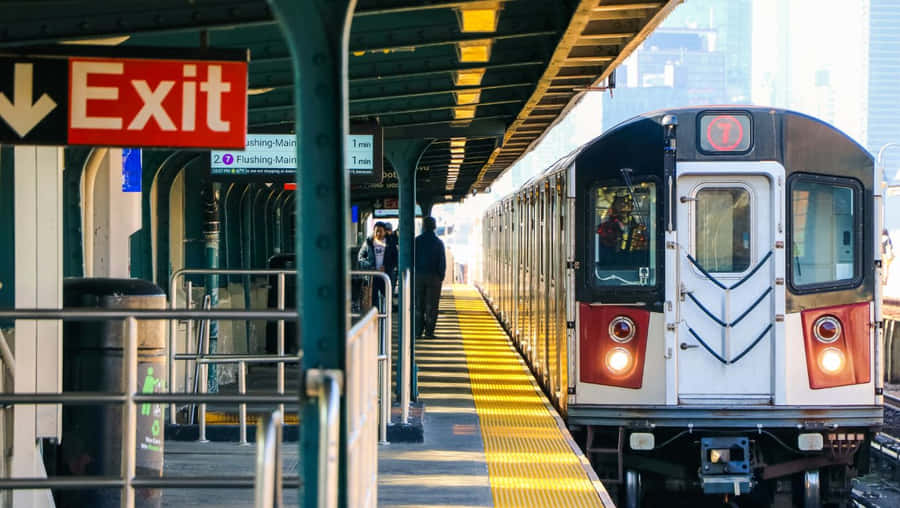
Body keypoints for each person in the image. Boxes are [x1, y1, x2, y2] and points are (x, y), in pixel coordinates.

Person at [415, 216, 446, 339]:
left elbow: (411, 258)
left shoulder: (417, 241)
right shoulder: (438, 242)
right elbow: (442, 262)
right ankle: (429, 332)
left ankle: (417, 332)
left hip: (418, 276)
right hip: (434, 277)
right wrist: (440, 276)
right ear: (434, 227)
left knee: (418, 305)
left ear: (423, 226)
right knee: (432, 306)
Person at [357, 221, 398, 308]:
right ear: (373, 231)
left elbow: (395, 259)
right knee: (373, 300)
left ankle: (386, 318)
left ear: (385, 232)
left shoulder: (390, 243)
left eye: (380, 231)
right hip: (373, 276)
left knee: (387, 299)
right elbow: (361, 258)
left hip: (386, 275)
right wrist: (372, 268)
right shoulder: (368, 243)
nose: (378, 233)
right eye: (376, 231)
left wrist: (387, 267)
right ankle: (376, 318)